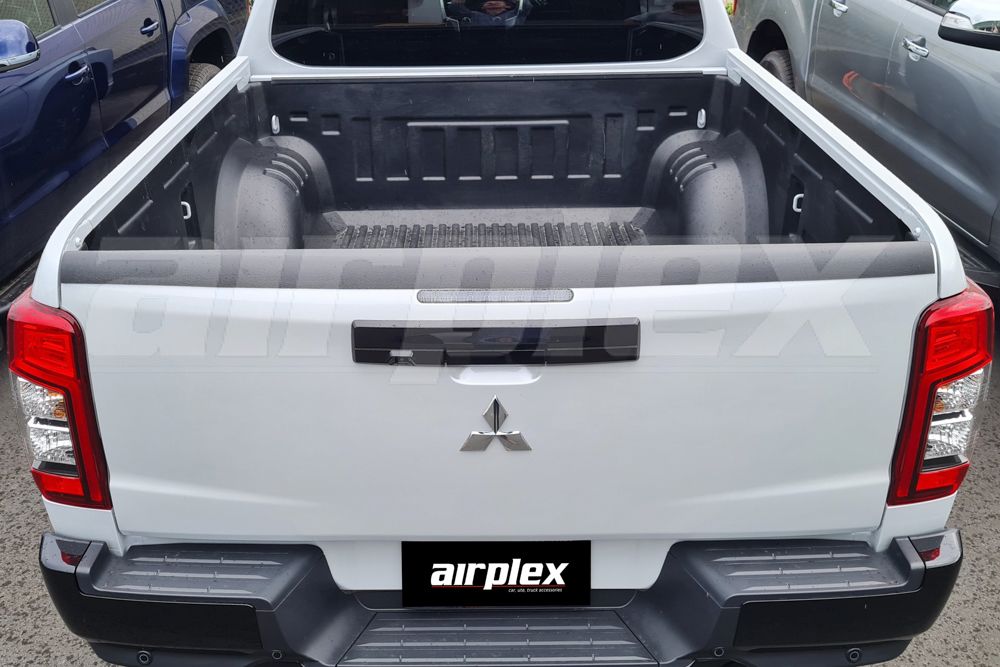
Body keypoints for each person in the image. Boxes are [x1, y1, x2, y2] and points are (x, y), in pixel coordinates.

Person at [446, 0, 540, 27]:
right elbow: (455, 8)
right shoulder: (475, 15)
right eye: (488, 2)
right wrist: (458, 2)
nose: (492, 3)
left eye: (498, 1)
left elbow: (526, 5)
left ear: (507, 6)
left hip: (512, 42)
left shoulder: (515, 14)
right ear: (482, 7)